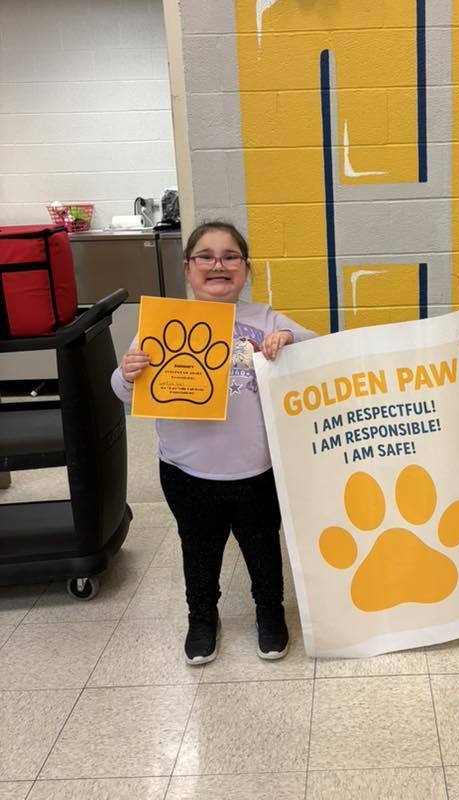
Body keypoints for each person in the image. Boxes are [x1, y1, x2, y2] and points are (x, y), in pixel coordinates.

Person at [111, 221, 315, 665]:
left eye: (230, 256)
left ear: (245, 268)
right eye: (206, 256)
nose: (218, 264)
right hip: (187, 471)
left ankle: (269, 612)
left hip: (258, 471)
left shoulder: (266, 319)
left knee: (263, 548)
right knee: (198, 549)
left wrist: (290, 340)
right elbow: (122, 390)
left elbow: (319, 349)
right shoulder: (163, 324)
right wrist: (127, 372)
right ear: (188, 268)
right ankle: (202, 617)